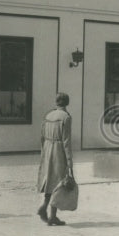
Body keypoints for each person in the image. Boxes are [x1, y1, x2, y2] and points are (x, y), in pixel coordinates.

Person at [37, 93, 73, 226]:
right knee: (58, 182)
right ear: (67, 103)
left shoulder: (48, 115)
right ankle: (52, 216)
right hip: (59, 151)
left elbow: (41, 137)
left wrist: (44, 152)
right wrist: (69, 161)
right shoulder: (66, 117)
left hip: (47, 149)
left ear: (56, 102)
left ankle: (45, 207)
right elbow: (67, 141)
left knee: (49, 181)